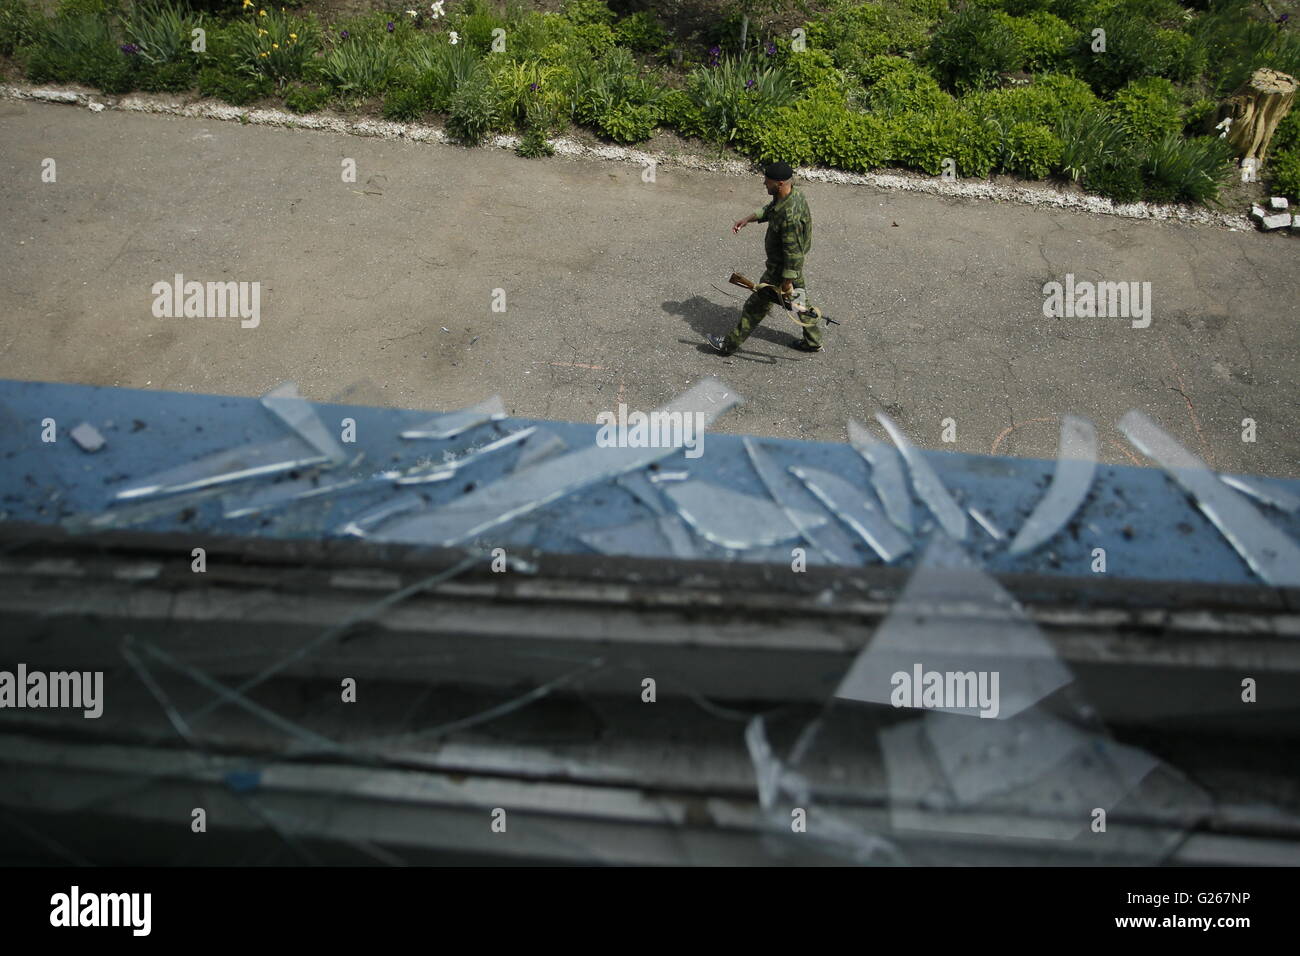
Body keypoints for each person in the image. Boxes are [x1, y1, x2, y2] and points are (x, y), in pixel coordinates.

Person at [708, 161, 821, 355]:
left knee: (754, 308)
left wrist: (786, 282)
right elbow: (771, 209)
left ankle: (728, 345)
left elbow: (792, 254)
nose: (764, 184)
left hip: (780, 271)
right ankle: (813, 341)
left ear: (779, 183)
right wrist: (748, 219)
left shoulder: (789, 217)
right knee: (800, 303)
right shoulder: (792, 195)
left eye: (767, 182)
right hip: (793, 270)